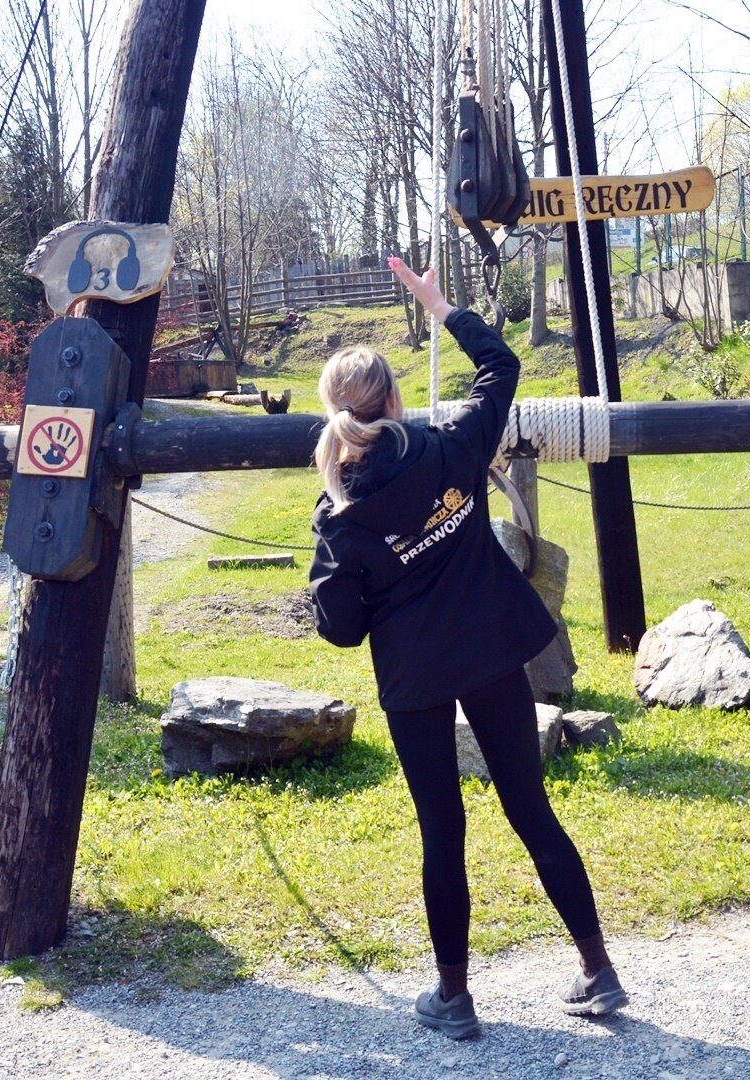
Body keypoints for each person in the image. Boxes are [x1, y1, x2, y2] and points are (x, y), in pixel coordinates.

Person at [309, 258, 626, 1039]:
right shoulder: (452, 447)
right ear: (393, 399)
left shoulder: (340, 514)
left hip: (416, 678)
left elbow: (342, 628)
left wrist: (336, 573)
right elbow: (501, 365)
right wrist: (440, 307)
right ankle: (598, 969)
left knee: (441, 832)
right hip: (491, 655)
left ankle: (454, 998)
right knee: (531, 809)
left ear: (338, 415)